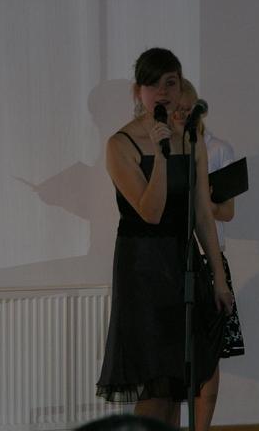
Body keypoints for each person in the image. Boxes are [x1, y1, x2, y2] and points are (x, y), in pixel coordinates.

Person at [96, 48, 233, 429]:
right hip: (142, 267)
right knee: (154, 387)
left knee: (176, 383)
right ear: (138, 92)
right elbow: (151, 212)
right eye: (153, 84)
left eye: (170, 82)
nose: (163, 92)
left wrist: (219, 278)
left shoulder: (193, 138)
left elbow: (202, 212)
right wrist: (161, 155)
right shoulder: (120, 144)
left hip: (181, 262)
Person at [172, 79, 246, 430]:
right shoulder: (162, 148)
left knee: (208, 355)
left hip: (208, 258)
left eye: (187, 110)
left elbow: (227, 212)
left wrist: (203, 200)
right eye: (176, 110)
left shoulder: (217, 148)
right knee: (173, 355)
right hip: (171, 260)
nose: (182, 115)